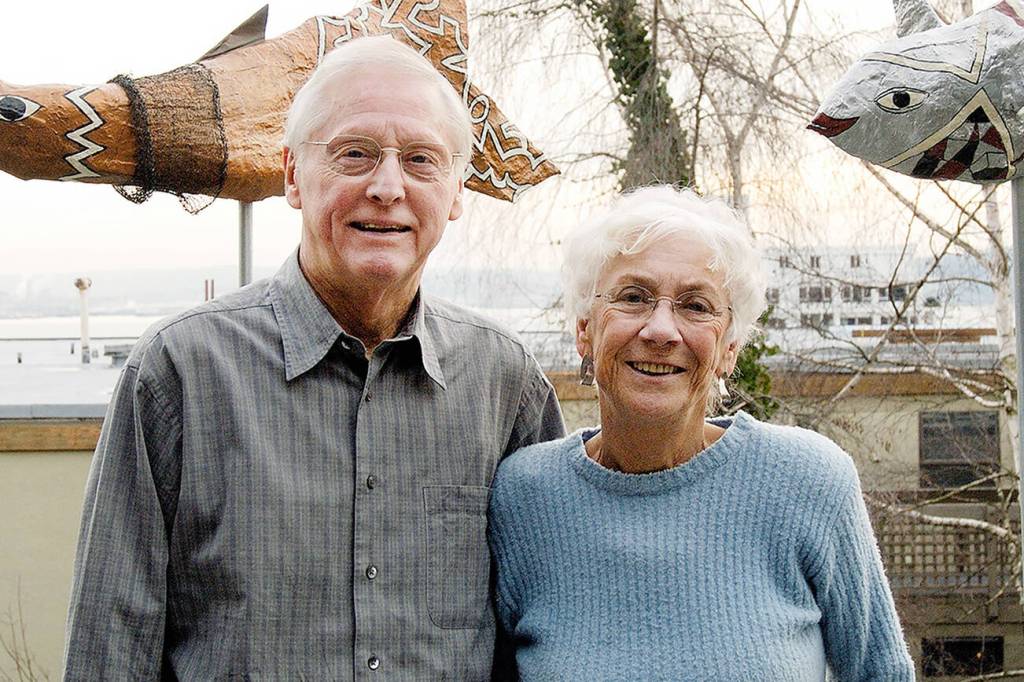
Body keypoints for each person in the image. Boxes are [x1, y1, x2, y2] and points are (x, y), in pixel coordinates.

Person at [64, 35, 564, 680]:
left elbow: (545, 631)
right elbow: (112, 641)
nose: (388, 187)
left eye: (421, 160)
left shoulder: (506, 383)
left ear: (457, 191)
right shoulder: (179, 373)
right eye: (354, 154)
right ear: (293, 175)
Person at [488, 185, 914, 680]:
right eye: (633, 297)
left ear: (729, 347)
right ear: (585, 329)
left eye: (696, 306)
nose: (661, 330)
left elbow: (881, 672)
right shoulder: (523, 499)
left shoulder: (809, 482)